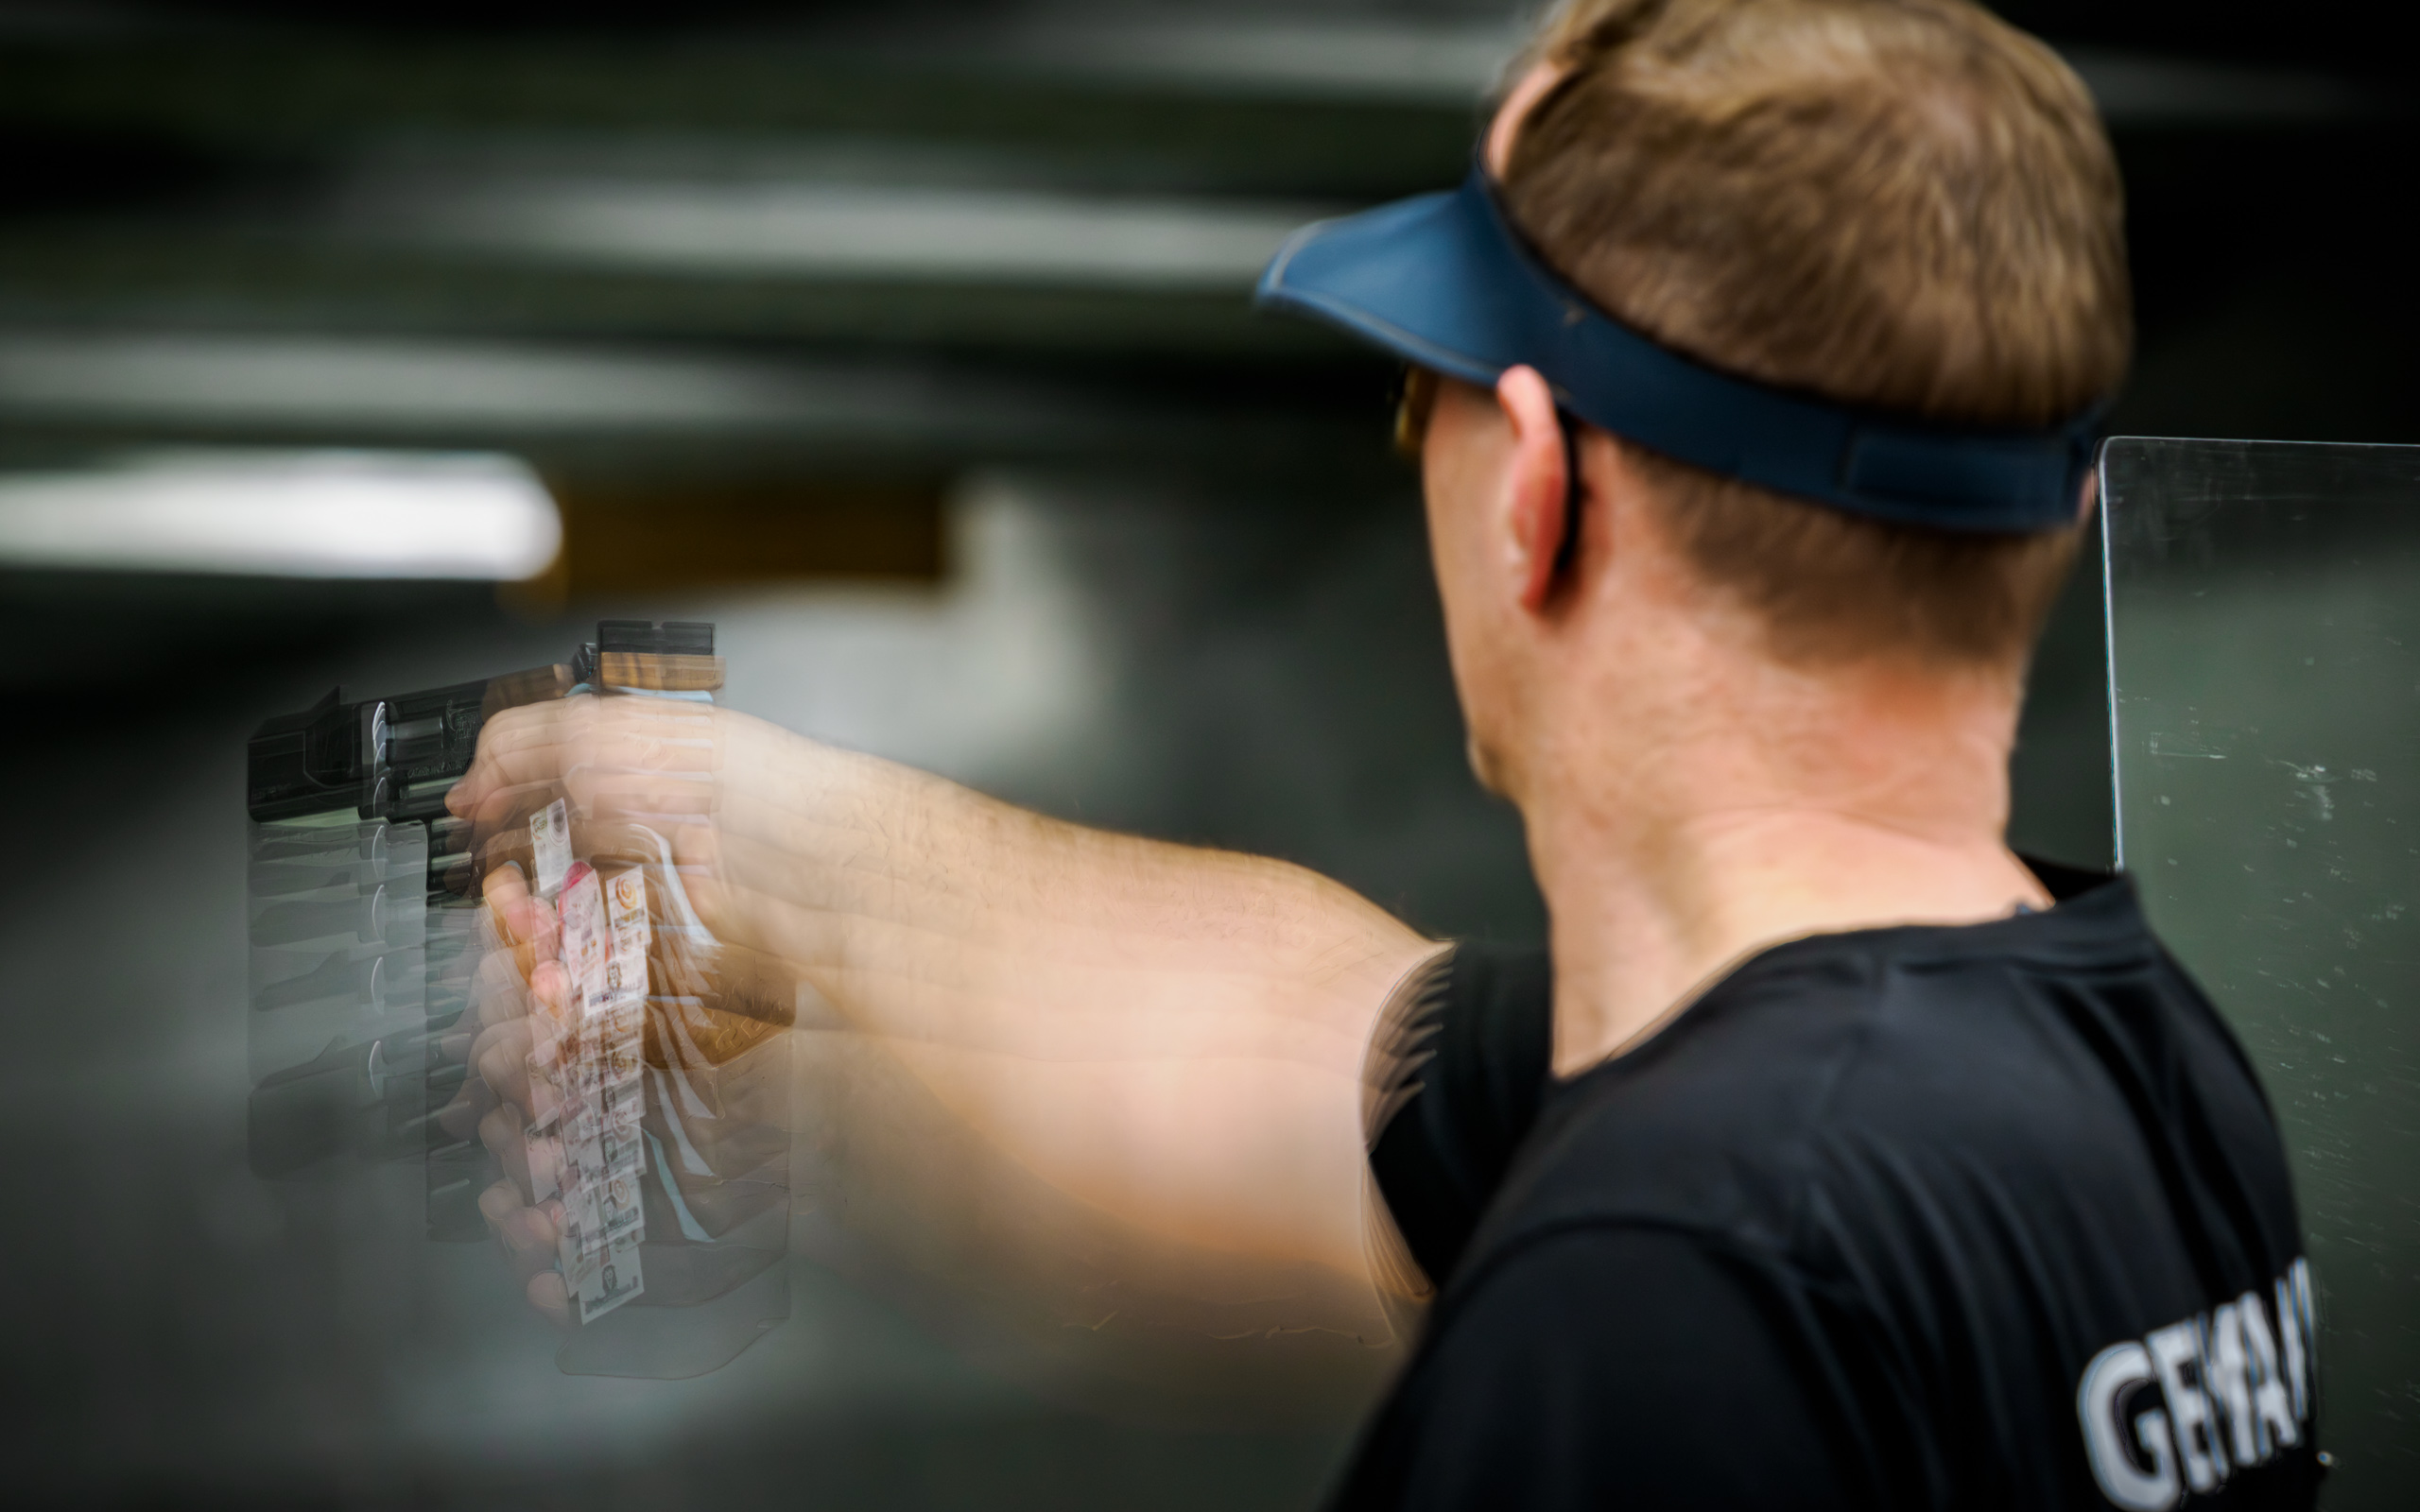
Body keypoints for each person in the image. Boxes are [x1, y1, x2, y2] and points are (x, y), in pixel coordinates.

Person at [447, 0, 2322, 1503]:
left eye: (1429, 390)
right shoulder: (2127, 1058)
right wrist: (738, 853)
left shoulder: (1652, 1302)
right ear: (2055, 517)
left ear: (1537, 492)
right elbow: (1317, 1042)